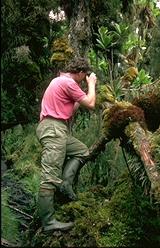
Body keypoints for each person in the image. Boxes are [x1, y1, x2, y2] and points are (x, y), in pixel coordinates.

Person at [36, 57, 97, 232]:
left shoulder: (61, 81)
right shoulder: (67, 82)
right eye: (84, 75)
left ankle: (65, 184)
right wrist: (91, 84)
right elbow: (91, 104)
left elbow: (72, 108)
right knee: (49, 177)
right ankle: (48, 222)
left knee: (82, 151)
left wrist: (80, 95)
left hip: (56, 129)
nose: (85, 78)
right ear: (79, 73)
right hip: (54, 129)